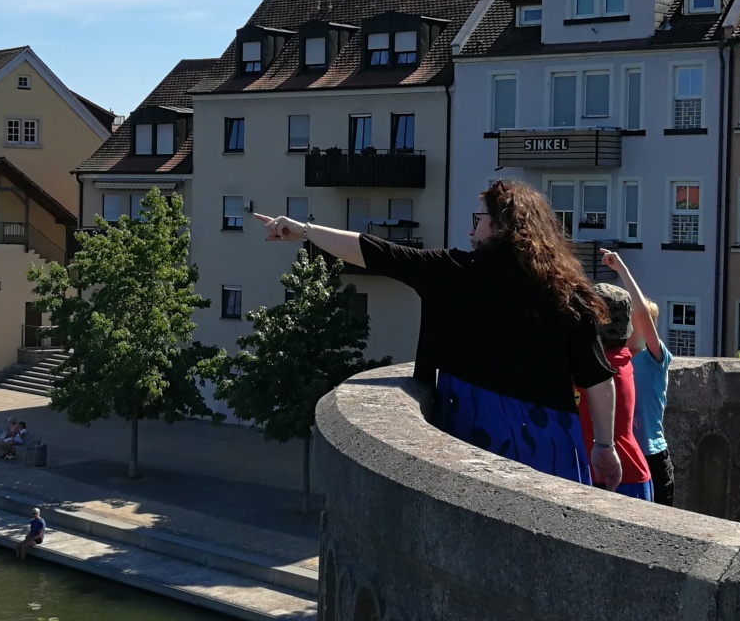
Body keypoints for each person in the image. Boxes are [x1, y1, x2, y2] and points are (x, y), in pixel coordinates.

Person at [254, 180, 620, 488]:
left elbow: (375, 251)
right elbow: (597, 379)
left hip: (476, 427)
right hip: (550, 437)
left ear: (500, 227)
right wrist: (604, 445)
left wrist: (304, 230)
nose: (471, 230)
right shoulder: (569, 291)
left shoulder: (454, 272)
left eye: (478, 220)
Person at [586, 249, 673, 503]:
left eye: (636, 320)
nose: (632, 324)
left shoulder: (654, 359)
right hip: (622, 457)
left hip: (651, 454)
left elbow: (643, 313)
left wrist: (622, 270)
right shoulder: (612, 357)